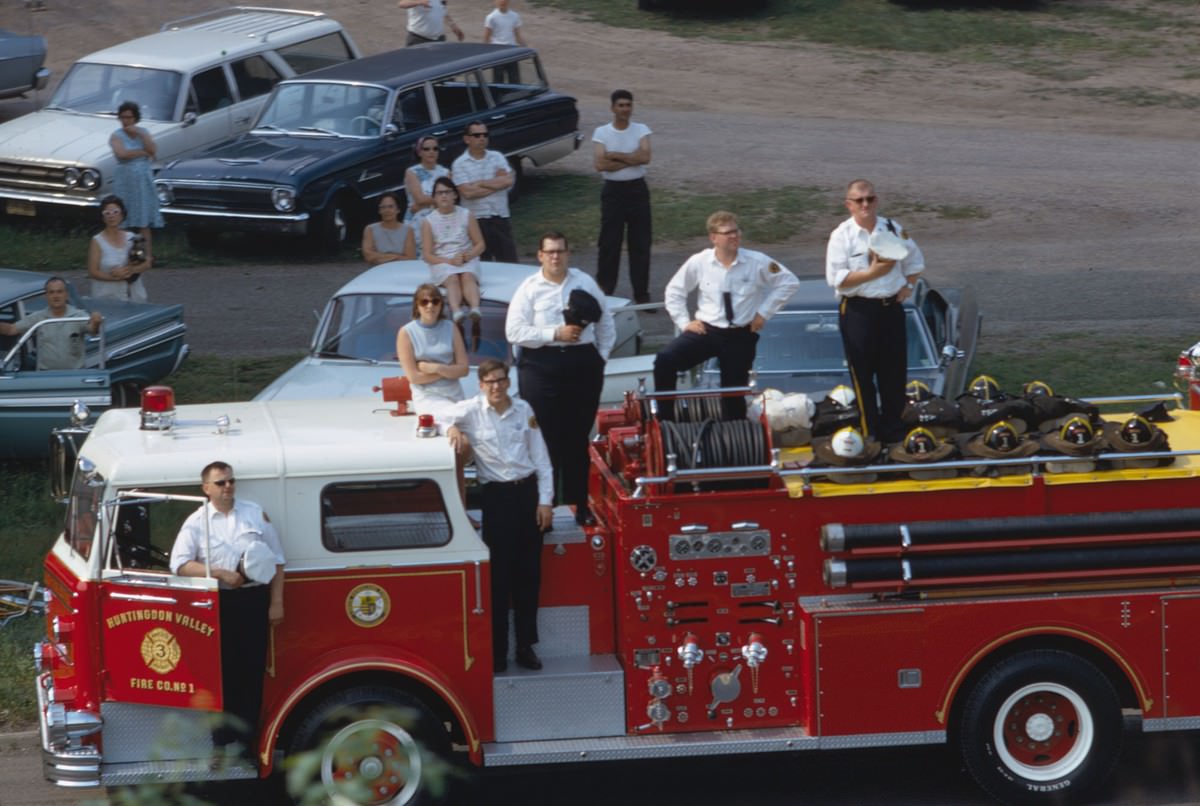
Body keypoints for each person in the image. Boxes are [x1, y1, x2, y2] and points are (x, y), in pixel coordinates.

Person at [169, 462, 285, 759]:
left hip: (253, 599)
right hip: (218, 604)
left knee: (251, 672)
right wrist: (220, 573)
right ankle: (221, 740)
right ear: (206, 488)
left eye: (231, 481)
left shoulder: (254, 514)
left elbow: (278, 561)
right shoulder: (196, 522)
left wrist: (276, 602)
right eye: (220, 483)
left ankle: (249, 743)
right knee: (222, 673)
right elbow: (180, 563)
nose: (228, 487)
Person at [445, 360, 553, 673]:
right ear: (480, 385)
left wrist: (545, 502)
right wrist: (452, 428)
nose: (496, 387)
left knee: (528, 576)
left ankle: (525, 646)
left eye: (501, 380)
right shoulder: (470, 411)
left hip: (527, 495)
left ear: (509, 381)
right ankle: (498, 651)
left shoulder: (523, 410)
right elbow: (438, 418)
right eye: (490, 382)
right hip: (497, 497)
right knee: (498, 578)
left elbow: (542, 459)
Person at [506, 232, 614, 526]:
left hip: (581, 364)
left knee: (578, 439)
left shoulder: (584, 282)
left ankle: (580, 505)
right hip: (541, 365)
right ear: (540, 255)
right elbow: (514, 332)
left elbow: (606, 322)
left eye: (560, 252)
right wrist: (554, 334)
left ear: (568, 254)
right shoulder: (529, 289)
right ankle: (546, 508)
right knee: (546, 440)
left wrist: (598, 360)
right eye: (550, 252)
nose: (555, 257)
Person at [654, 211, 799, 421]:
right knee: (665, 361)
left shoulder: (756, 261)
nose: (734, 236)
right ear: (714, 237)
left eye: (736, 231)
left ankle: (734, 438)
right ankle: (665, 422)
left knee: (734, 397)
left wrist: (763, 313)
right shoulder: (699, 262)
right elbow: (674, 292)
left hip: (740, 335)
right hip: (707, 331)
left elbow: (789, 282)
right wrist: (685, 322)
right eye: (727, 232)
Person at [826, 179, 925, 444]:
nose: (865, 204)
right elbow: (836, 280)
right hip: (859, 310)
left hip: (890, 309)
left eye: (870, 199)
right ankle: (870, 434)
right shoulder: (842, 236)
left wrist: (908, 285)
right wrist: (871, 273)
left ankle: (894, 434)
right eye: (859, 200)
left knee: (894, 375)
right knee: (863, 376)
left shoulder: (892, 228)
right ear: (849, 205)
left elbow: (915, 261)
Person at [593, 89, 652, 304]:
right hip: (613, 192)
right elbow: (600, 164)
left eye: (628, 105)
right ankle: (605, 292)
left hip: (637, 190)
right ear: (612, 108)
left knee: (640, 243)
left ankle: (641, 294)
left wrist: (616, 155)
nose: (625, 109)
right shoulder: (602, 133)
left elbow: (645, 157)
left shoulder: (641, 130)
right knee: (609, 243)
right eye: (621, 105)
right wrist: (632, 158)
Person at [0, 276, 101, 370]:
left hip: (74, 375)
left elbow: (92, 330)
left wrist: (96, 321)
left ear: (66, 295)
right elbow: (11, 329)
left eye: (59, 292)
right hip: (47, 376)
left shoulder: (78, 316)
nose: (55, 296)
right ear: (46, 296)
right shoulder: (38, 317)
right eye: (51, 292)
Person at [421, 176, 485, 322]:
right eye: (439, 193)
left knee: (467, 276)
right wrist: (449, 261)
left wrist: (468, 256)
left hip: (466, 258)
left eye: (447, 192)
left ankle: (475, 308)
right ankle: (457, 311)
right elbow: (427, 255)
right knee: (453, 279)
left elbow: (480, 244)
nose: (443, 195)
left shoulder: (466, 215)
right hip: (442, 261)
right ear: (434, 197)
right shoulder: (428, 221)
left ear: (455, 195)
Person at [452, 121, 518, 263]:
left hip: (500, 217)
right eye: (476, 135)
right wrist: (496, 184)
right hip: (476, 222)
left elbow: (508, 181)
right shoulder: (459, 164)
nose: (482, 138)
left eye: (485, 134)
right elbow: (468, 193)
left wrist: (481, 183)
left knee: (509, 264)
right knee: (482, 265)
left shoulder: (497, 157)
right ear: (467, 139)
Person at [396, 282, 468, 411]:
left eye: (435, 301)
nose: (430, 306)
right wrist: (449, 370)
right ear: (417, 306)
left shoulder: (451, 327)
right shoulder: (406, 332)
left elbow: (464, 370)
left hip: (454, 393)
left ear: (441, 304)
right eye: (424, 302)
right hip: (426, 396)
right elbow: (414, 377)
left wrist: (436, 368)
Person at [109, 101, 164, 263]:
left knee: (143, 219)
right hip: (126, 179)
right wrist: (142, 152)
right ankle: (120, 255)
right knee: (123, 218)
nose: (126, 121)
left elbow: (153, 151)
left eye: (129, 117)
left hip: (142, 179)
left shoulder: (143, 132)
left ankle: (147, 255)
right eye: (123, 117)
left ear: (135, 118)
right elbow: (122, 154)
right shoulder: (116, 135)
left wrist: (141, 134)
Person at [88, 195, 151, 301]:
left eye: (115, 212)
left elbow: (147, 262)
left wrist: (130, 271)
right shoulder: (97, 240)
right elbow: (93, 272)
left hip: (134, 296)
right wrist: (114, 277)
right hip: (107, 298)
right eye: (107, 213)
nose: (111, 216)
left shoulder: (132, 238)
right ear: (103, 218)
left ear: (122, 215)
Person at [404, 136, 451, 253]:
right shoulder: (412, 172)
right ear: (419, 152)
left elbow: (450, 198)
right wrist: (439, 199)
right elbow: (419, 199)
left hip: (441, 220)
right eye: (427, 149)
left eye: (435, 149)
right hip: (417, 222)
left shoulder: (446, 172)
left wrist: (424, 203)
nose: (432, 152)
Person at [362, 192, 416, 265]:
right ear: (379, 211)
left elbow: (410, 259)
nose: (387, 210)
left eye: (391, 207)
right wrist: (398, 257)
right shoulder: (370, 229)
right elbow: (368, 256)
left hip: (401, 270)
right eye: (383, 207)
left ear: (398, 209)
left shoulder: (408, 230)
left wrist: (379, 256)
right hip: (378, 272)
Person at [399, 0, 464, 46]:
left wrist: (453, 26)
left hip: (439, 38)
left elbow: (443, 11)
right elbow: (402, 3)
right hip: (418, 39)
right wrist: (419, 2)